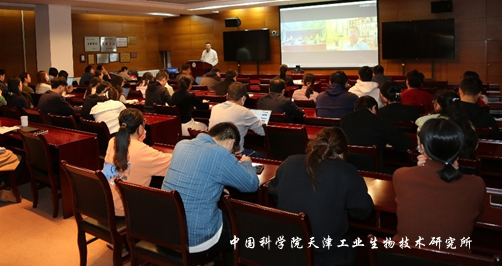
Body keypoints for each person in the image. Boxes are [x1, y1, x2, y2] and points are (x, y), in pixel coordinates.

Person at [268, 127, 374, 266]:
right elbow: (363, 211)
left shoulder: (289, 162)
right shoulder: (346, 171)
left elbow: (273, 192)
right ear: (342, 154)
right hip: (327, 256)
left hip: (288, 250)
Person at [162, 122, 258, 259]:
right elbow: (252, 184)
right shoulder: (221, 154)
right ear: (231, 142)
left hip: (167, 232)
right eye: (233, 151)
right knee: (239, 222)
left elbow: (197, 176)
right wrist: (247, 163)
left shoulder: (181, 145)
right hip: (196, 240)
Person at [393, 118, 486, 249]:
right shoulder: (476, 184)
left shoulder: (401, 175)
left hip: (403, 254)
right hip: (454, 257)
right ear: (458, 151)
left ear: (422, 149)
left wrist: (420, 169)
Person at [103, 108, 172, 216]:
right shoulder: (145, 152)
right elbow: (175, 164)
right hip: (127, 211)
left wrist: (138, 141)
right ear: (140, 128)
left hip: (107, 204)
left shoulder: (113, 141)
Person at [340, 96, 413, 172]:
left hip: (348, 167)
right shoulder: (380, 122)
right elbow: (403, 143)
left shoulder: (344, 119)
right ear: (374, 107)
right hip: (373, 169)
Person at [415, 90, 478, 158]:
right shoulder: (467, 123)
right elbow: (475, 145)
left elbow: (422, 150)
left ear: (438, 105)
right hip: (464, 162)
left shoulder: (425, 123)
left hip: (434, 162)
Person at [208, 82, 265, 156]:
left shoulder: (215, 108)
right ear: (243, 98)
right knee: (261, 156)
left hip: (213, 151)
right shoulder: (244, 112)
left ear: (227, 95)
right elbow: (263, 131)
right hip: (235, 154)